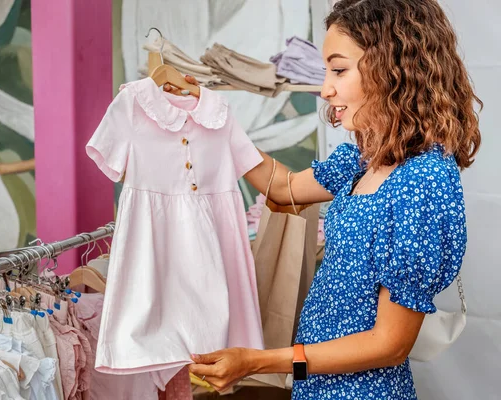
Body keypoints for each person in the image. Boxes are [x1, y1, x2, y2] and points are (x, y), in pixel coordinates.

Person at [188, 0, 482, 398]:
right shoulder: (366, 157)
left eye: (339, 70)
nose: (326, 88)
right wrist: (212, 117)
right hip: (320, 387)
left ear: (392, 68)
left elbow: (390, 345)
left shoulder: (423, 181)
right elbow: (284, 189)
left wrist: (260, 360)